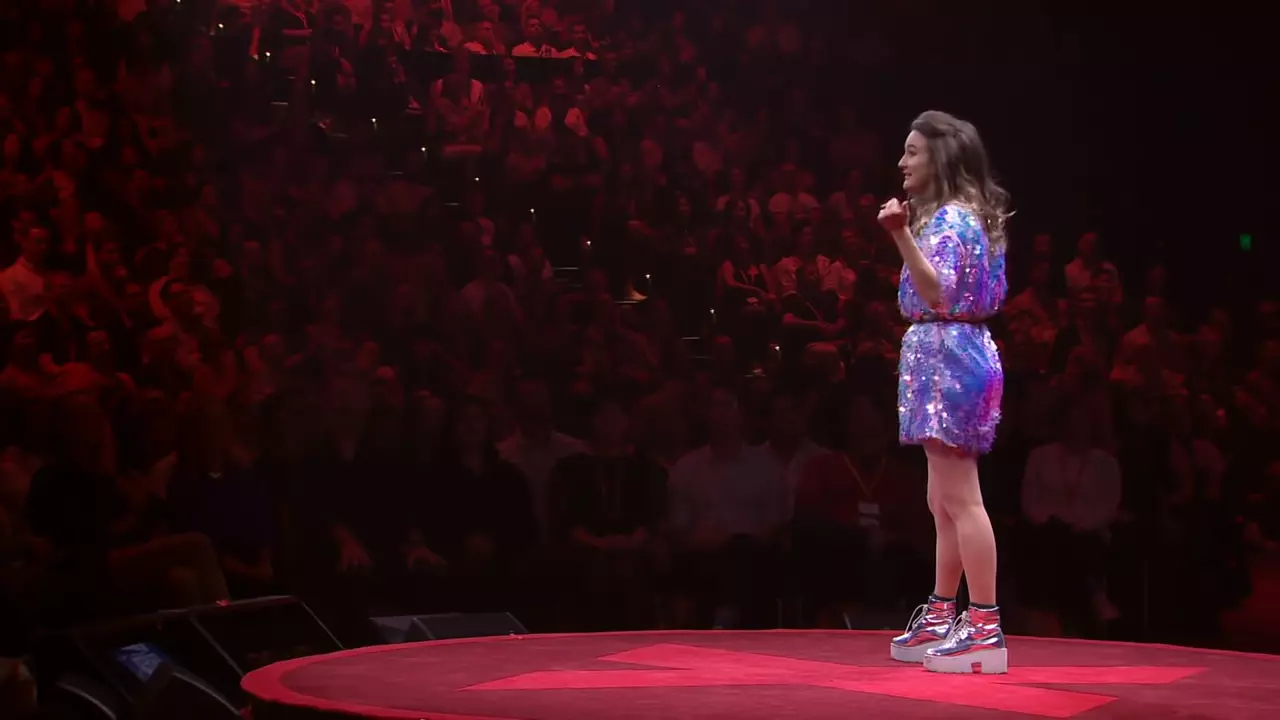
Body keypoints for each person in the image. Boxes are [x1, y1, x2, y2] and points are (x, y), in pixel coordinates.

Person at [878, 111, 1010, 674]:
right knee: (942, 500)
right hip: (946, 354)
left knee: (962, 499)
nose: (902, 162)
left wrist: (899, 234)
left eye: (912, 151)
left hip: (951, 356)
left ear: (940, 158)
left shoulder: (952, 221)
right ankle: (941, 611)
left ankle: (983, 627)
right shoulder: (957, 217)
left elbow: (936, 292)